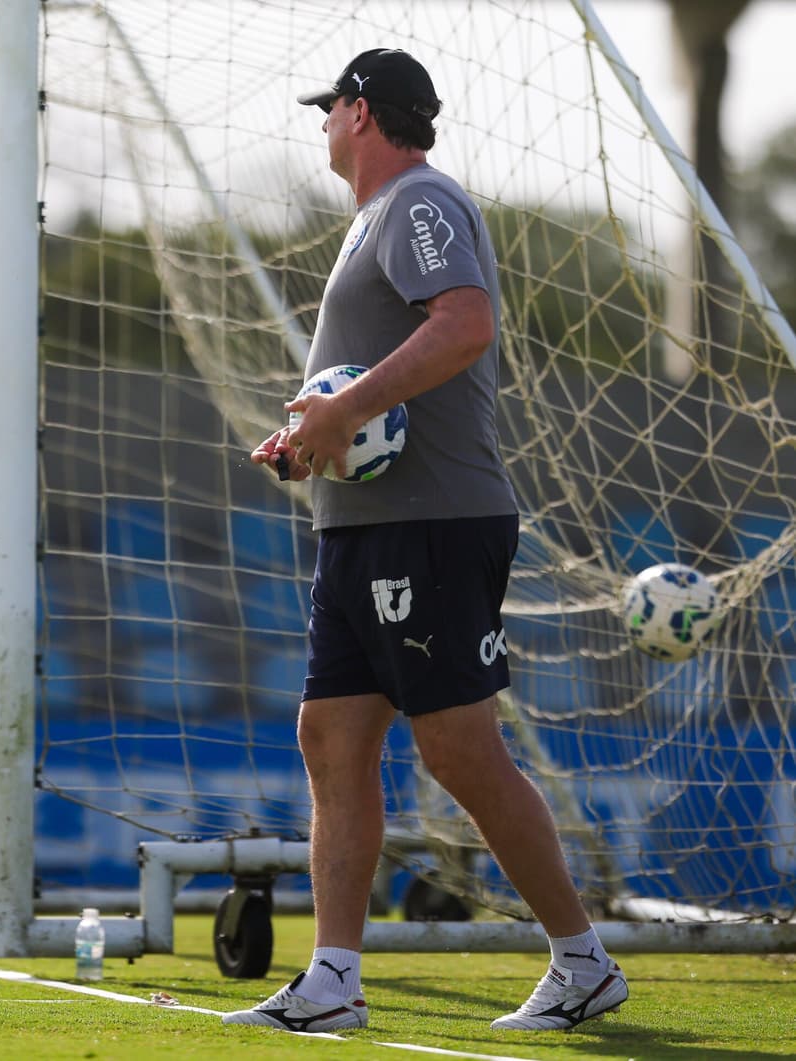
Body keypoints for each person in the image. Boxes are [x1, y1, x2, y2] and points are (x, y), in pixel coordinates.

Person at [222, 47, 629, 1034]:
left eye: (331, 109)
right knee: (330, 736)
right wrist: (311, 435)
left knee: (457, 749)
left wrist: (345, 405)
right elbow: (367, 393)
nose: (322, 124)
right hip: (366, 526)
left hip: (433, 521)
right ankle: (333, 979)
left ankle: (582, 962)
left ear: (360, 111)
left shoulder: (420, 201)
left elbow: (466, 323)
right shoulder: (376, 217)